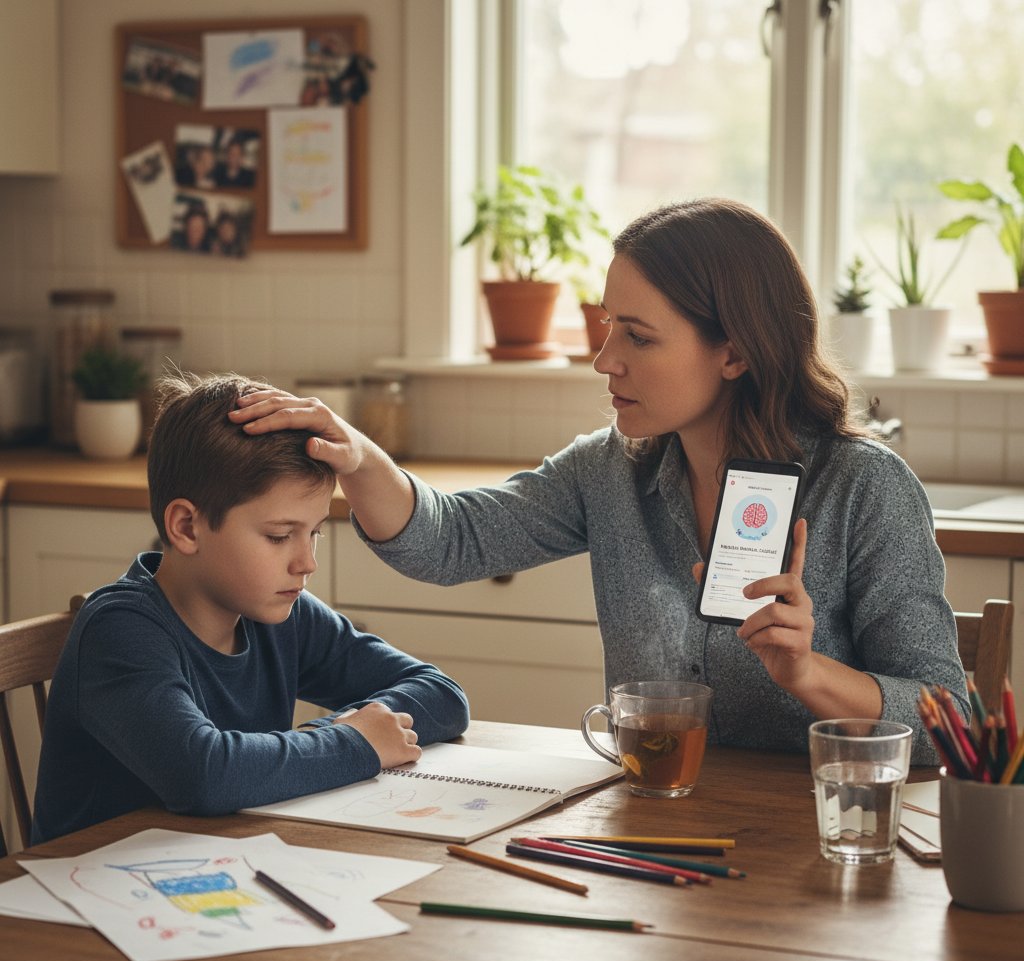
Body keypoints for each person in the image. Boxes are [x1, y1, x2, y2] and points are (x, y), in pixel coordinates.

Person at [230, 197, 968, 765]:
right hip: (650, 821)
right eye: (608, 324)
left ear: (734, 353)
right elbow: (447, 543)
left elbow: (951, 722)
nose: (604, 359)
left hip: (815, 838)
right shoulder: (610, 469)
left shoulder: (865, 490)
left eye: (638, 336)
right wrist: (359, 459)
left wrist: (808, 672)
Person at [32, 372, 470, 843]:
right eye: (279, 536)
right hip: (88, 893)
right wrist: (353, 741)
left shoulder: (281, 614)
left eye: (314, 532)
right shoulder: (119, 630)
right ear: (186, 527)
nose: (307, 562)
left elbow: (442, 696)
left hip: (222, 868)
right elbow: (204, 775)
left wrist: (348, 732)